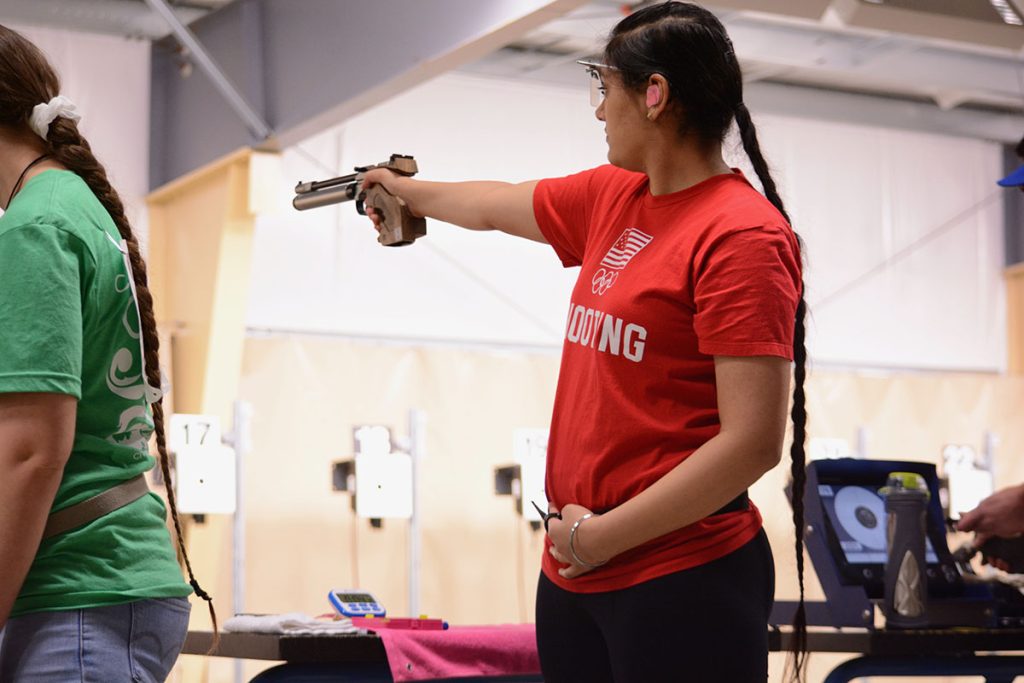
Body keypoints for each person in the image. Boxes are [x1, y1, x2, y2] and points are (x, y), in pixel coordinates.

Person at [365, 3, 809, 681]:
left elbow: (751, 442)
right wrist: (403, 191)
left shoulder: (741, 235)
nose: (600, 111)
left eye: (606, 89)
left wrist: (603, 535)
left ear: (654, 95)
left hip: (681, 576)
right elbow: (494, 203)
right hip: (577, 574)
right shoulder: (616, 194)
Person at [0, 25, 213, 681]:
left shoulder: (35, 224)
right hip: (104, 584)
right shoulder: (72, 205)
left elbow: (33, 451)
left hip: (82, 589)